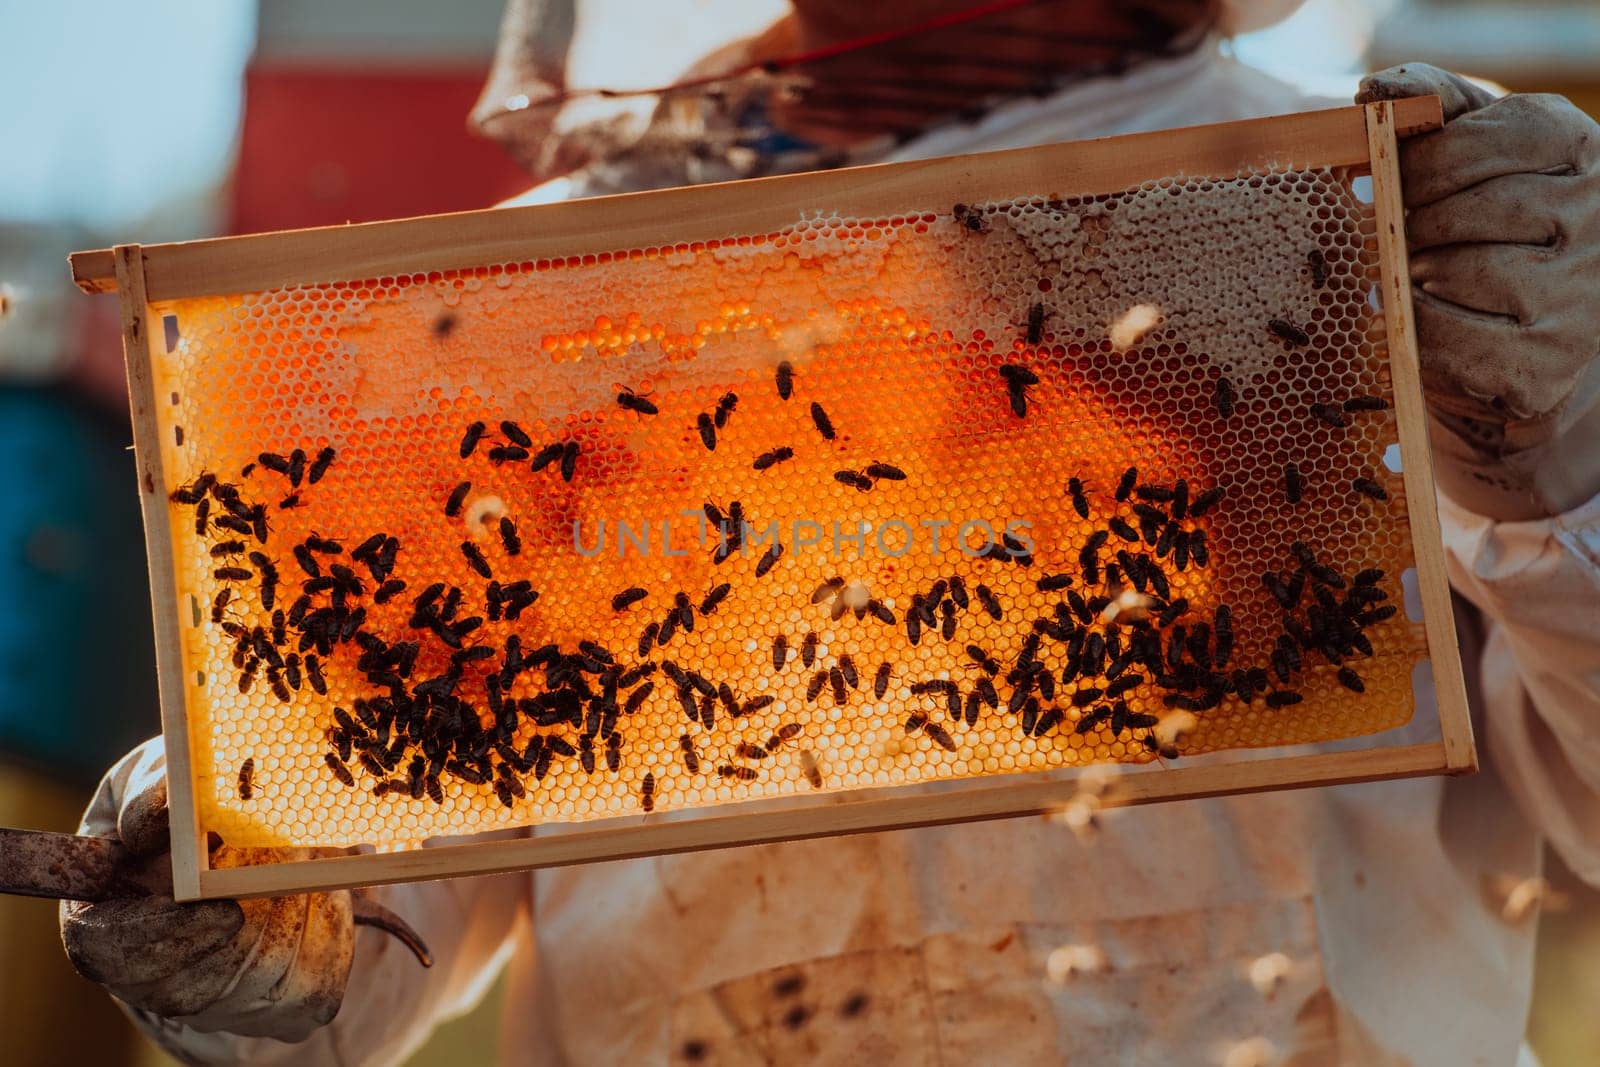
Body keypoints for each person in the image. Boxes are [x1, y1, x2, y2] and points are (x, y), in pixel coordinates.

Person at [60, 1, 1600, 1063]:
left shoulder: (1414, 221)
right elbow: (367, 948)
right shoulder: (512, 333)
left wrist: (1570, 479)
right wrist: (246, 900)